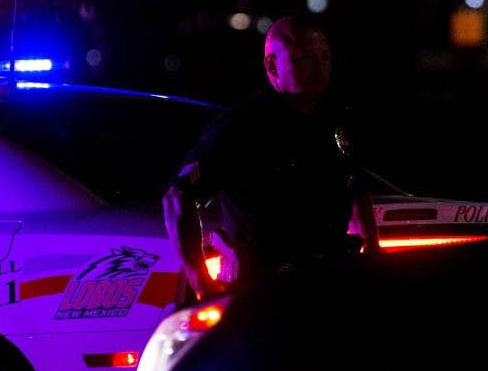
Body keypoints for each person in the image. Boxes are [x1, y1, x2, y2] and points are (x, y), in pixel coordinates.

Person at [162, 15, 381, 299]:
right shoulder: (242, 128)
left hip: (334, 279)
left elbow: (357, 189)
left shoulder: (334, 120)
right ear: (273, 65)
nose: (318, 68)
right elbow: (177, 198)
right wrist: (201, 281)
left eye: (324, 57)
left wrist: (373, 251)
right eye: (304, 59)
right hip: (266, 290)